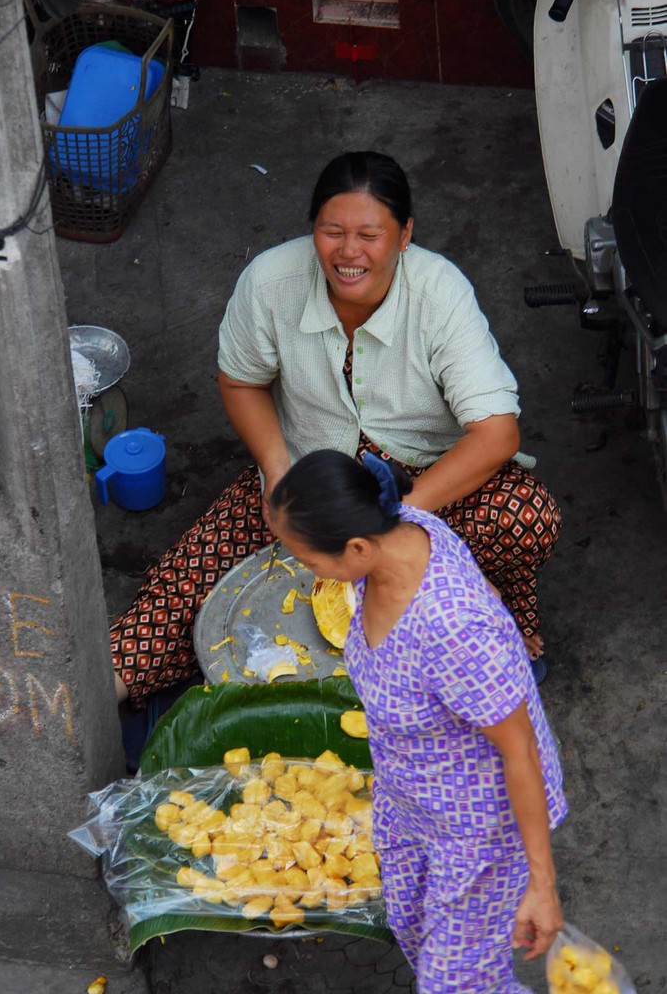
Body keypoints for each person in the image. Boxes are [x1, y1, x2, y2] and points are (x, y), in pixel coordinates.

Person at [111, 150, 561, 706]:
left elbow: (497, 435)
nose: (349, 252)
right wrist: (277, 472)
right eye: (332, 231)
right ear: (313, 230)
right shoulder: (271, 282)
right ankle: (110, 685)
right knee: (195, 577)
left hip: (427, 483)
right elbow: (241, 382)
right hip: (314, 479)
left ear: (404, 235)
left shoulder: (439, 294)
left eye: (370, 234)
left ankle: (499, 620)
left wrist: (401, 520)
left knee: (526, 516)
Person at [270, 448, 567, 994]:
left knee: (453, 984)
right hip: (411, 798)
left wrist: (541, 884)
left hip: (479, 827)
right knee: (415, 934)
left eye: (310, 561)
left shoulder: (451, 629)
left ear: (356, 547)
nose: (308, 572)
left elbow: (519, 749)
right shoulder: (401, 529)